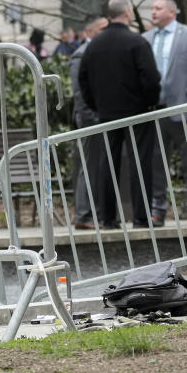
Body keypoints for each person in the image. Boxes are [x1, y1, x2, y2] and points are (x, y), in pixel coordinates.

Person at [79, 0, 160, 229]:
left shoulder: (93, 45)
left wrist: (97, 105)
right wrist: (149, 102)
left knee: (108, 164)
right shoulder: (137, 42)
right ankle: (142, 217)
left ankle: (108, 218)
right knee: (140, 163)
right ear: (127, 13)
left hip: (107, 113)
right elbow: (151, 78)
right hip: (138, 112)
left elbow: (83, 79)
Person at [143, 0, 187, 226]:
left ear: (172, 12)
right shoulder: (145, 38)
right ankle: (157, 210)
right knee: (157, 164)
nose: (153, 12)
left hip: (184, 108)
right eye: (152, 8)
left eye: (158, 8)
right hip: (154, 111)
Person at [70, 14, 107, 229]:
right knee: (89, 165)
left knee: (98, 166)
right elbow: (79, 93)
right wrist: (91, 117)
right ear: (90, 32)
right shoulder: (80, 55)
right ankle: (83, 215)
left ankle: (96, 213)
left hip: (100, 117)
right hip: (89, 118)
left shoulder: (98, 51)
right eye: (102, 27)